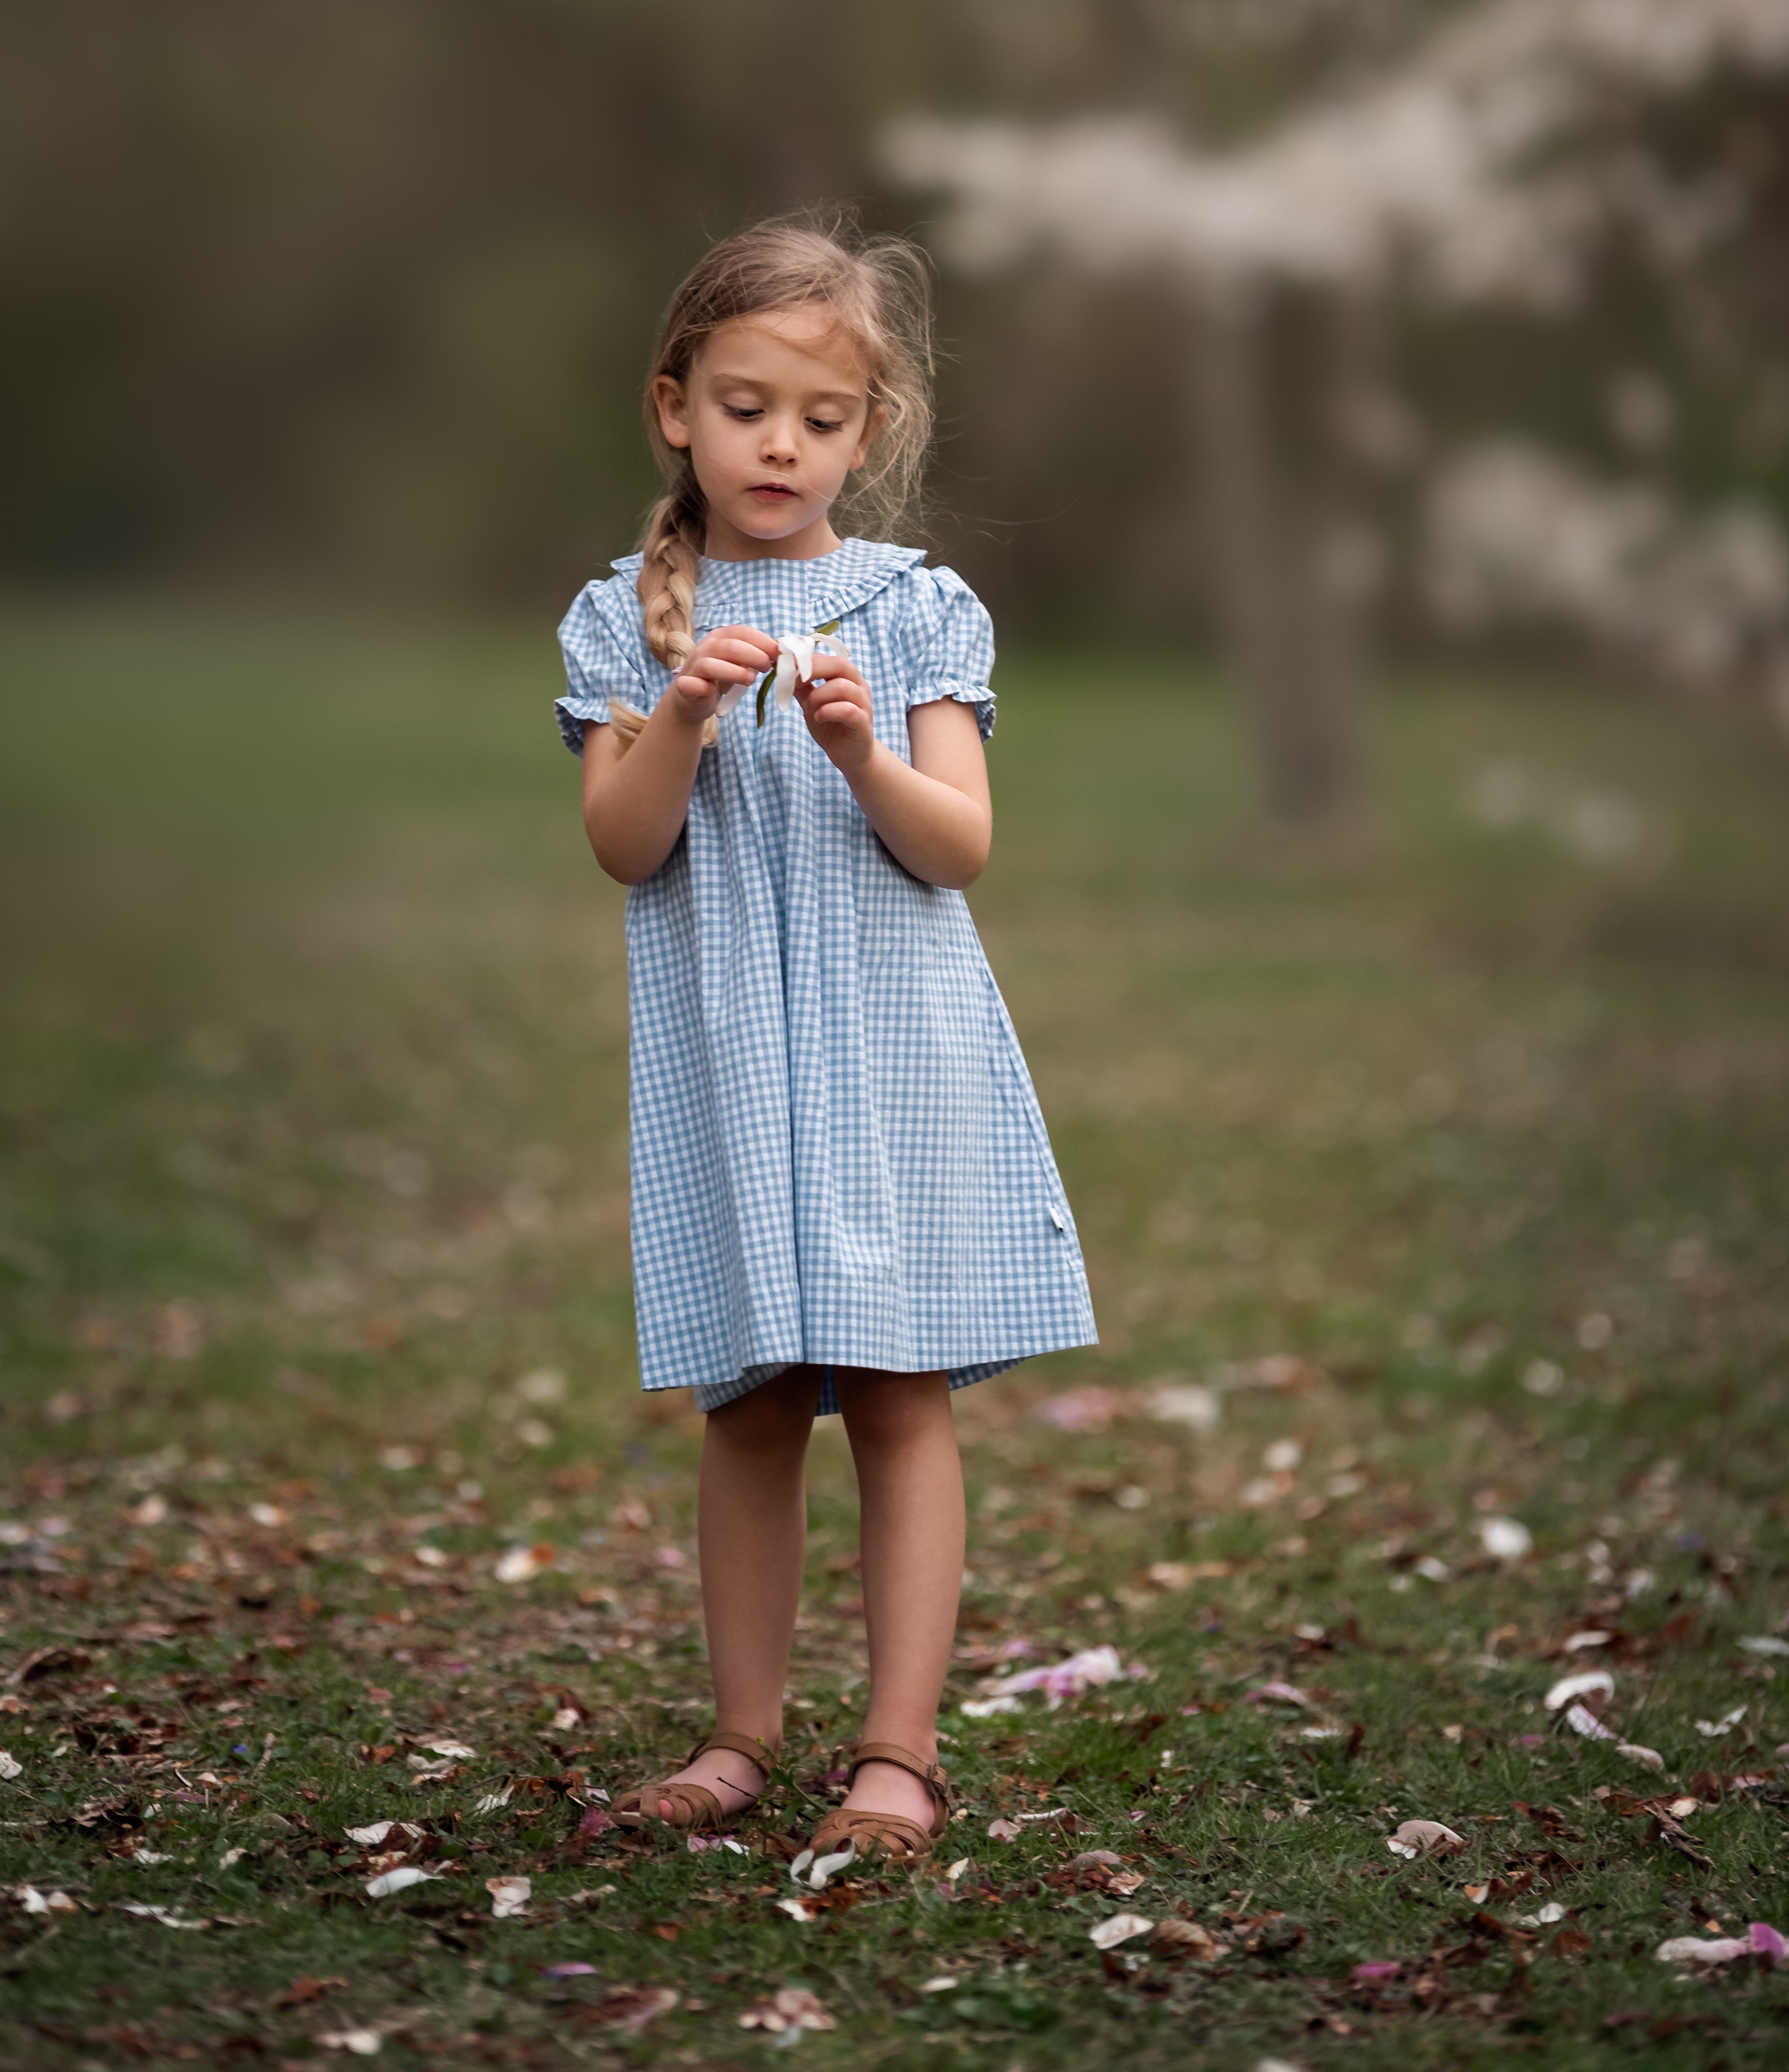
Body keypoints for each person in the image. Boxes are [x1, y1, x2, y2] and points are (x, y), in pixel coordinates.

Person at [554, 214, 1096, 1865]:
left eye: (822, 417)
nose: (780, 445)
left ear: (872, 433)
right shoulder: (621, 620)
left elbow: (961, 846)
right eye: (743, 405)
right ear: (674, 408)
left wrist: (867, 756)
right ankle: (741, 1735)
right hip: (733, 1057)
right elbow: (622, 845)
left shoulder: (917, 607)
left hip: (894, 1053)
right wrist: (692, 714)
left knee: (897, 1385)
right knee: (755, 1400)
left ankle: (899, 1752)